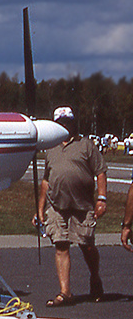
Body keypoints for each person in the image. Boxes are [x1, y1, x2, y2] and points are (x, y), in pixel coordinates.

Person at [35, 106, 106, 305]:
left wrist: (102, 198)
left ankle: (95, 277)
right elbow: (46, 180)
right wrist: (39, 208)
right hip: (57, 206)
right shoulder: (51, 148)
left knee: (87, 246)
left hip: (83, 206)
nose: (65, 125)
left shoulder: (86, 145)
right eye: (61, 122)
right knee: (61, 245)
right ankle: (65, 292)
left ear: (74, 122)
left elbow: (100, 172)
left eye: (68, 121)